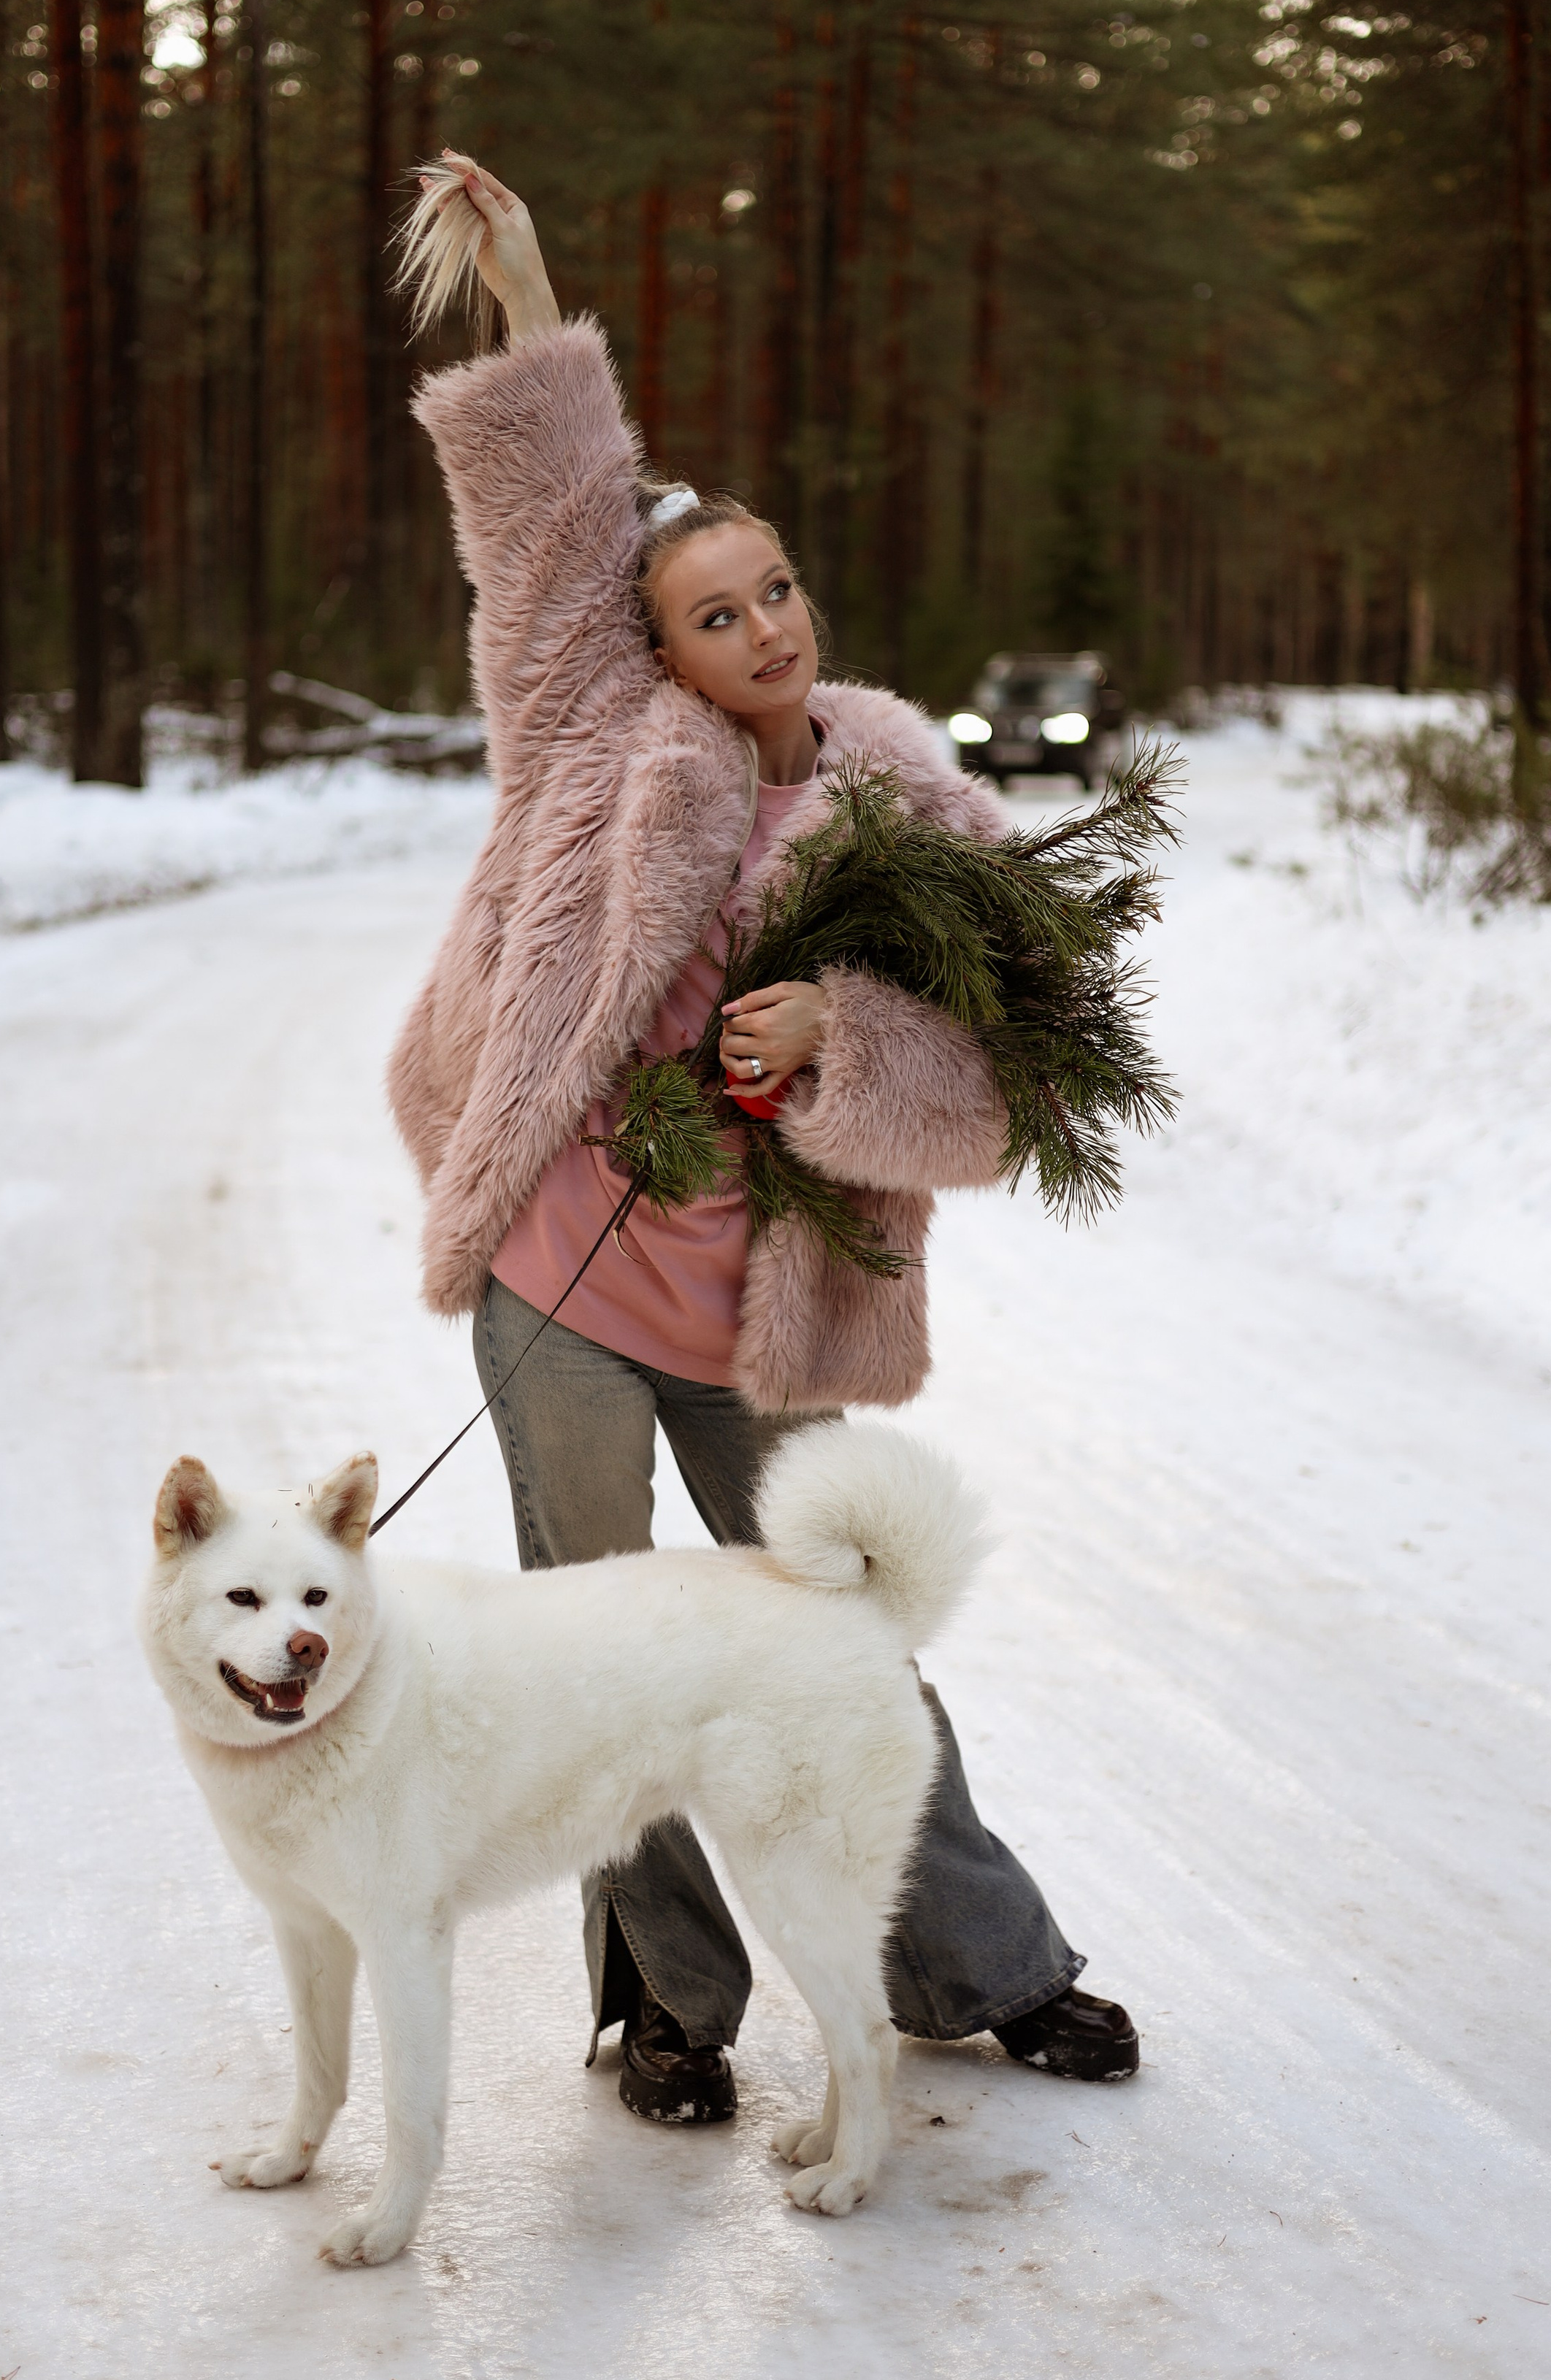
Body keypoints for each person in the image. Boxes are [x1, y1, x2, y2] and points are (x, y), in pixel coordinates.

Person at [387, 153, 1138, 2122]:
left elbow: (1021, 1060)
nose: (761, 626)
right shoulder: (592, 734)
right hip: (568, 1265)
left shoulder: (902, 783)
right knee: (593, 1649)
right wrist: (531, 286)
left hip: (770, 1305)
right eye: (714, 612)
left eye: (776, 588)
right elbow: (541, 523)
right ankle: (665, 2007)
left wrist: (842, 1037)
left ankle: (984, 1964)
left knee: (836, 1633)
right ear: (664, 648)